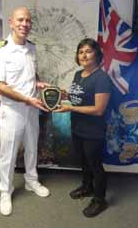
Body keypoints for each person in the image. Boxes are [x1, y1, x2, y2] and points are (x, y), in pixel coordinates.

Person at [0, 7, 50, 216]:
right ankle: (5, 191)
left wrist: (38, 83)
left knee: (32, 147)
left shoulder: (31, 48)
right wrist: (26, 98)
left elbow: (29, 75)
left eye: (28, 21)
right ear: (11, 22)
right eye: (20, 20)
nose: (25, 24)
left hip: (32, 108)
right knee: (9, 153)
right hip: (12, 110)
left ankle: (31, 180)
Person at [54, 38, 113, 218]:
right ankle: (87, 187)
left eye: (88, 51)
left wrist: (70, 107)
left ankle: (99, 200)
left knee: (95, 165)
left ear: (96, 54)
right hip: (77, 126)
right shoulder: (78, 75)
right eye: (80, 52)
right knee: (83, 161)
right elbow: (77, 97)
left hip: (93, 131)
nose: (84, 55)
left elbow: (98, 109)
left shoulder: (102, 78)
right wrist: (64, 94)